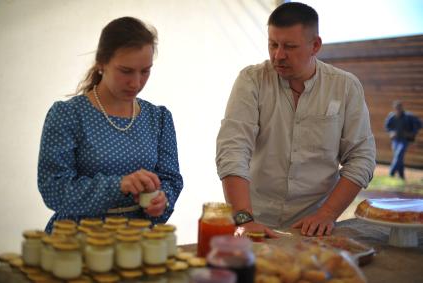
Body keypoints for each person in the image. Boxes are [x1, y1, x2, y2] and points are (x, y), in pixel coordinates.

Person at [216, 2, 376, 237]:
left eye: (290, 46)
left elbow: (362, 157)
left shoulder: (345, 86)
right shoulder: (251, 81)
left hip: (314, 224)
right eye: (273, 44)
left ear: (316, 46)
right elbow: (232, 149)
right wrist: (243, 218)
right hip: (254, 218)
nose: (278, 55)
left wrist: (328, 214)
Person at [38, 17, 183, 233]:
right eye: (125, 71)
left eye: (145, 71)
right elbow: (54, 189)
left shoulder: (158, 118)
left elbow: (171, 179)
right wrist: (118, 186)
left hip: (138, 241)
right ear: (101, 63)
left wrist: (161, 200)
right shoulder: (68, 114)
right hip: (75, 241)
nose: (136, 82)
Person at [385, 100, 421, 179]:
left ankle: (391, 174)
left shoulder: (408, 116)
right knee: (399, 157)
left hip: (404, 140)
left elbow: (419, 124)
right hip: (395, 140)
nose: (398, 110)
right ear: (394, 109)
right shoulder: (392, 116)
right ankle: (401, 176)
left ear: (401, 108)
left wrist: (412, 133)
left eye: (399, 108)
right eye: (396, 109)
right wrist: (391, 132)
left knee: (399, 154)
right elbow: (387, 127)